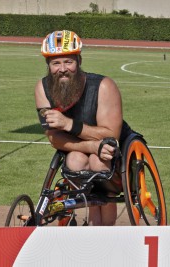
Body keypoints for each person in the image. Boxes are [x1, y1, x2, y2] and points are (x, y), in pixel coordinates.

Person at [35, 30, 134, 226]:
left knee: (98, 162)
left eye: (68, 62)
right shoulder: (42, 89)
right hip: (79, 149)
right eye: (56, 63)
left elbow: (110, 135)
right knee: (74, 159)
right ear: (48, 65)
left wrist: (68, 124)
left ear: (79, 61)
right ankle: (88, 225)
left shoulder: (104, 86)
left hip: (114, 150)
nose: (62, 68)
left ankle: (104, 228)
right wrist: (91, 147)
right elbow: (54, 139)